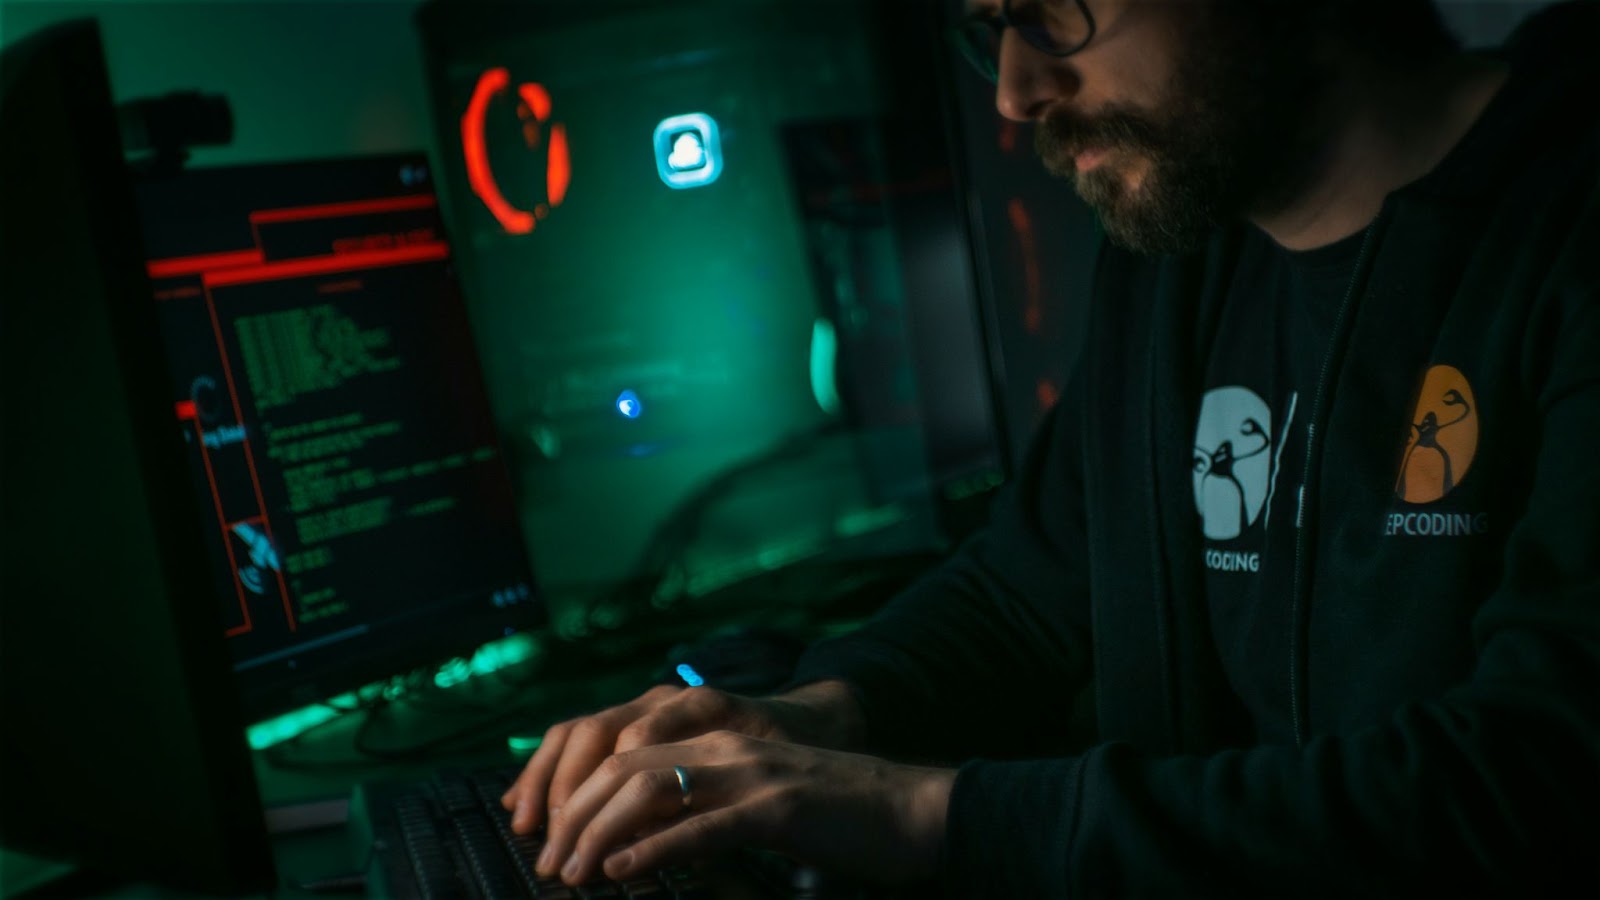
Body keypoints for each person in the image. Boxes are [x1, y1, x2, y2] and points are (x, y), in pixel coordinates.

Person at [502, 0, 1600, 893]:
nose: (1017, 93)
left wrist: (921, 814)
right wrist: (808, 715)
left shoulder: (1570, 227)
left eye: (1053, 15)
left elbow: (1530, 779)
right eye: (990, 29)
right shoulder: (1185, 245)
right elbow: (1031, 585)